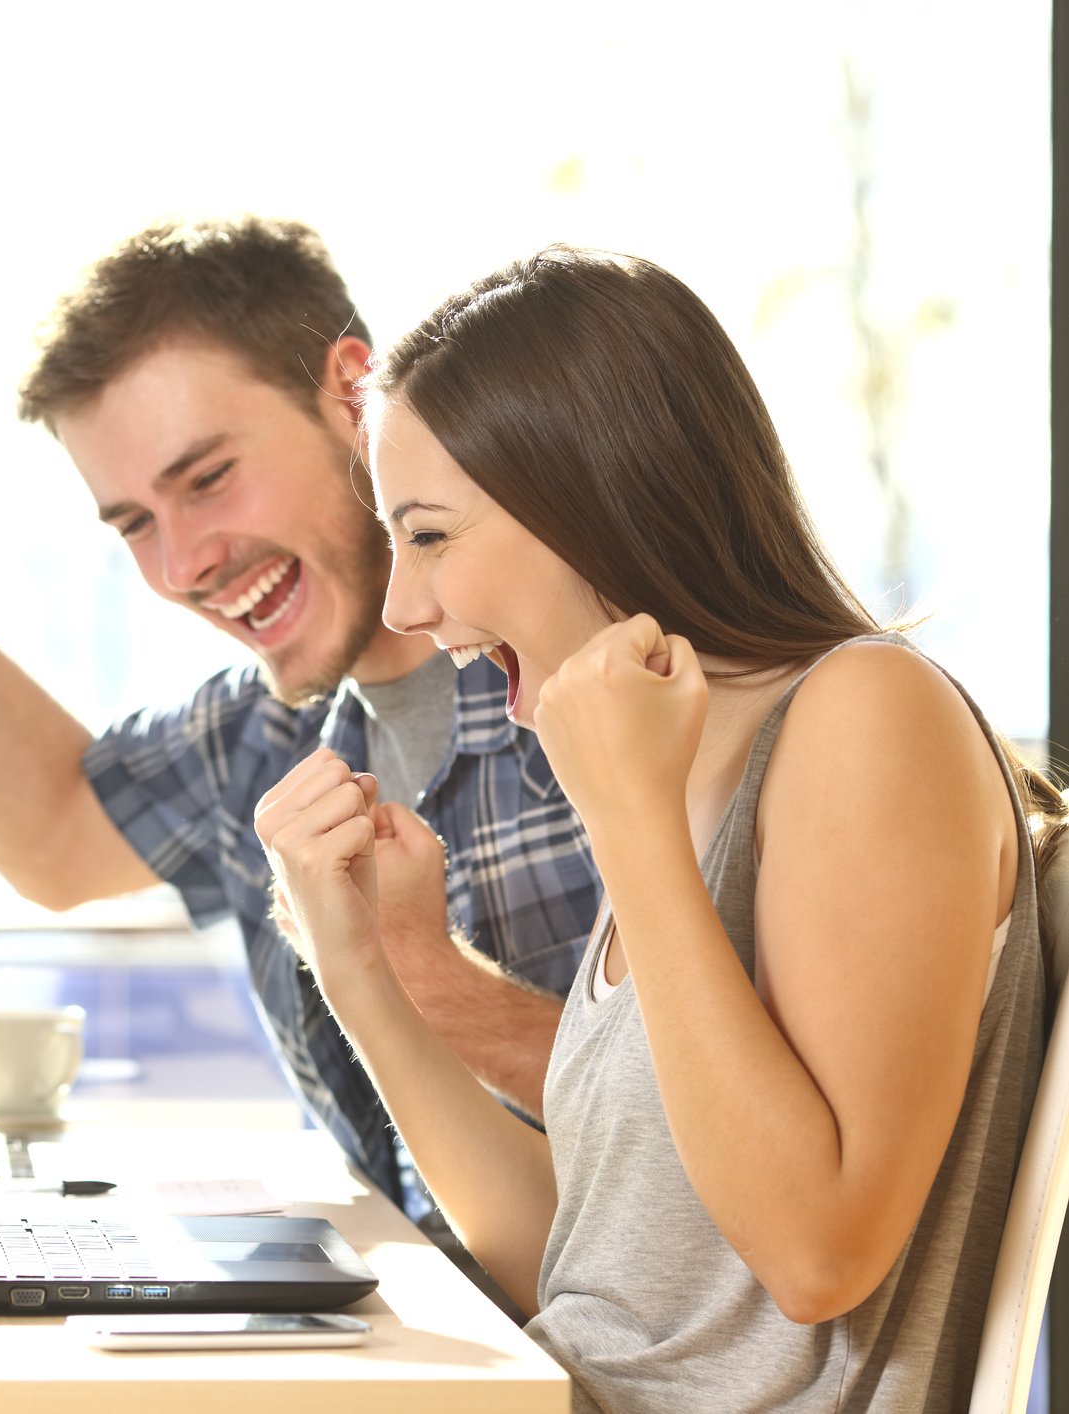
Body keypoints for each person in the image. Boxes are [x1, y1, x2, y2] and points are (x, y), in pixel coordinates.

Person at [256, 244, 1055, 1408]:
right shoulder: (687, 771)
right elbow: (585, 1276)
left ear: (590, 498)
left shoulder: (867, 715)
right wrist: (359, 972)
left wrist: (627, 823)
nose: (404, 607)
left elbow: (820, 1250)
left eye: (428, 535)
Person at [0, 217, 601, 1212]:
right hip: (413, 1331)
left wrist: (418, 979)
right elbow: (52, 832)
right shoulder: (263, 738)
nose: (182, 566)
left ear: (353, 393)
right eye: (135, 522)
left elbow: (737, 1132)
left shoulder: (603, 684)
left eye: (209, 479)